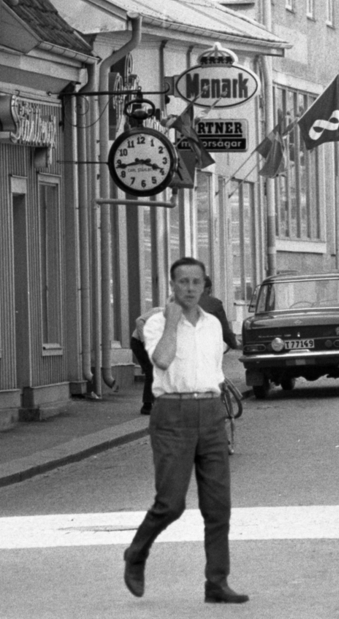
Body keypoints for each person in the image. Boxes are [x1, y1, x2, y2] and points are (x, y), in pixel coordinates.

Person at [123, 257, 248, 604]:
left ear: (205, 285)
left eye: (196, 282)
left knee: (218, 505)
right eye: (183, 282)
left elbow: (214, 370)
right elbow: (162, 361)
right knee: (171, 503)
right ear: (172, 286)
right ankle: (136, 552)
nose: (190, 288)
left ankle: (217, 582)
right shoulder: (155, 323)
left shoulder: (212, 325)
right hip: (172, 415)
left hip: (210, 413)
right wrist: (172, 323)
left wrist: (218, 406)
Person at [130, 305, 163, 415]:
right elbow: (139, 321)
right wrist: (144, 341)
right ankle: (147, 405)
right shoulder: (159, 311)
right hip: (139, 342)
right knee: (151, 370)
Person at [199, 276, 238, 351]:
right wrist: (234, 344)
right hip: (207, 346)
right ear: (208, 288)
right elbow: (224, 330)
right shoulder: (215, 303)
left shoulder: (181, 302)